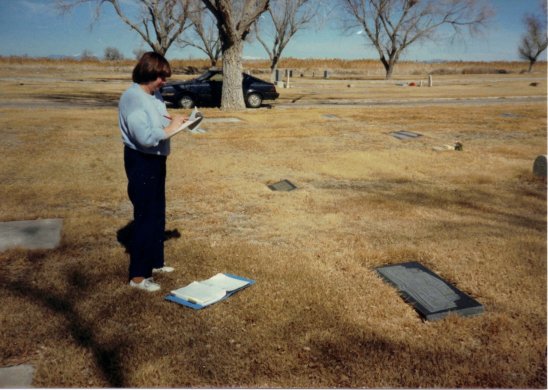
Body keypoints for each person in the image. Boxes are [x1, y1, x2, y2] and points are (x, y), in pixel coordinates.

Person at [118, 52, 187, 292]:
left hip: (156, 159)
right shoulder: (134, 98)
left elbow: (158, 121)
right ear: (148, 73)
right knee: (145, 216)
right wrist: (172, 128)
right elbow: (145, 137)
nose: (164, 82)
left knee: (157, 212)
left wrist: (179, 121)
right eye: (161, 77)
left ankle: (155, 262)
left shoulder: (153, 94)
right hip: (141, 160)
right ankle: (138, 276)